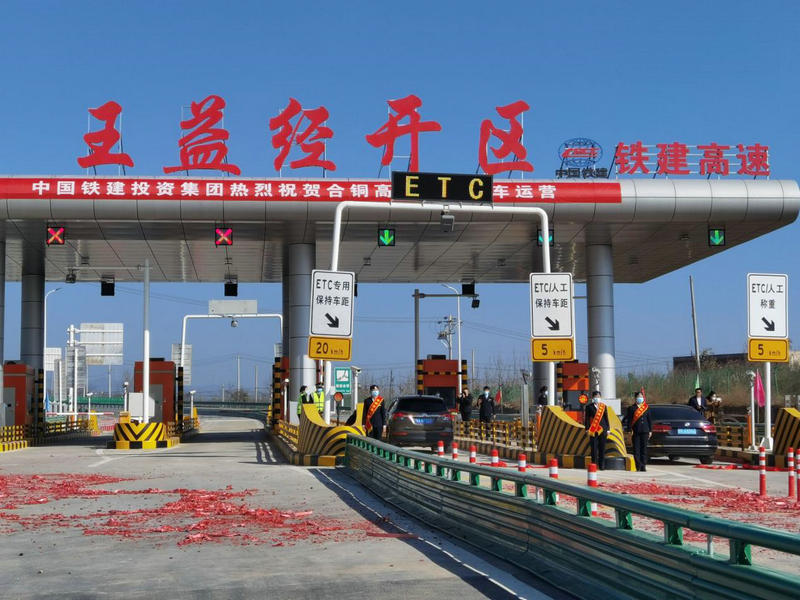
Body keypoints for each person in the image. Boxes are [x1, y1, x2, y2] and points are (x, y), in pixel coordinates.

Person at [625, 391, 653, 472]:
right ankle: (638, 466)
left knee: (644, 449)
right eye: (638, 397)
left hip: (645, 431)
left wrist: (650, 430)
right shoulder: (631, 408)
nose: (640, 398)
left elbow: (649, 420)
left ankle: (643, 466)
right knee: (636, 449)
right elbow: (629, 420)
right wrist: (629, 430)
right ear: (635, 398)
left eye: (641, 396)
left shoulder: (646, 408)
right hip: (636, 431)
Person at [585, 391, 609, 469]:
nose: (597, 398)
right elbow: (587, 419)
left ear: (600, 397)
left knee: (602, 448)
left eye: (598, 397)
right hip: (593, 430)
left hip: (603, 429)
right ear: (593, 398)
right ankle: (594, 464)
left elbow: (606, 418)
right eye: (595, 397)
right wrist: (587, 429)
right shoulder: (589, 407)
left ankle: (602, 465)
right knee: (594, 448)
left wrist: (608, 429)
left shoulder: (603, 407)